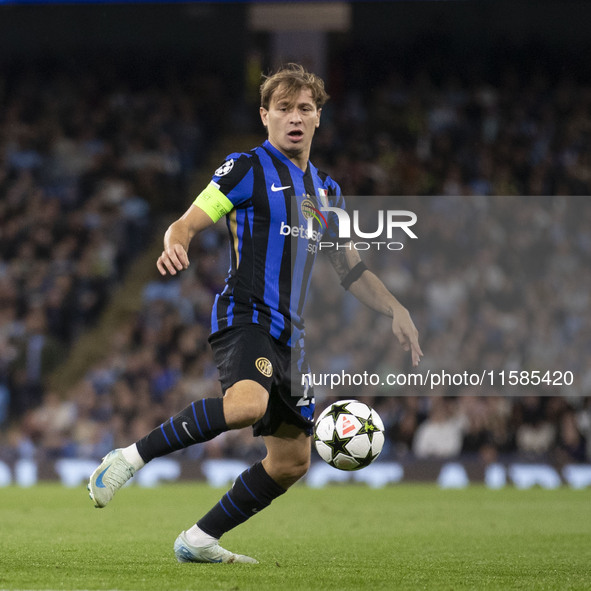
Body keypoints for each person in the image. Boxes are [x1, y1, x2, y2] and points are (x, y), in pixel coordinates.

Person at [87, 63, 422, 564]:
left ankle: (198, 540)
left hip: (291, 337)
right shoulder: (245, 169)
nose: (295, 117)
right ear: (265, 116)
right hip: (245, 315)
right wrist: (175, 243)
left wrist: (396, 308)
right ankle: (128, 458)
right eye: (283, 108)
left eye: (304, 108)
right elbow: (186, 222)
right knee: (245, 405)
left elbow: (350, 271)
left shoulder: (328, 193)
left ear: (318, 118)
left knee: (291, 462)